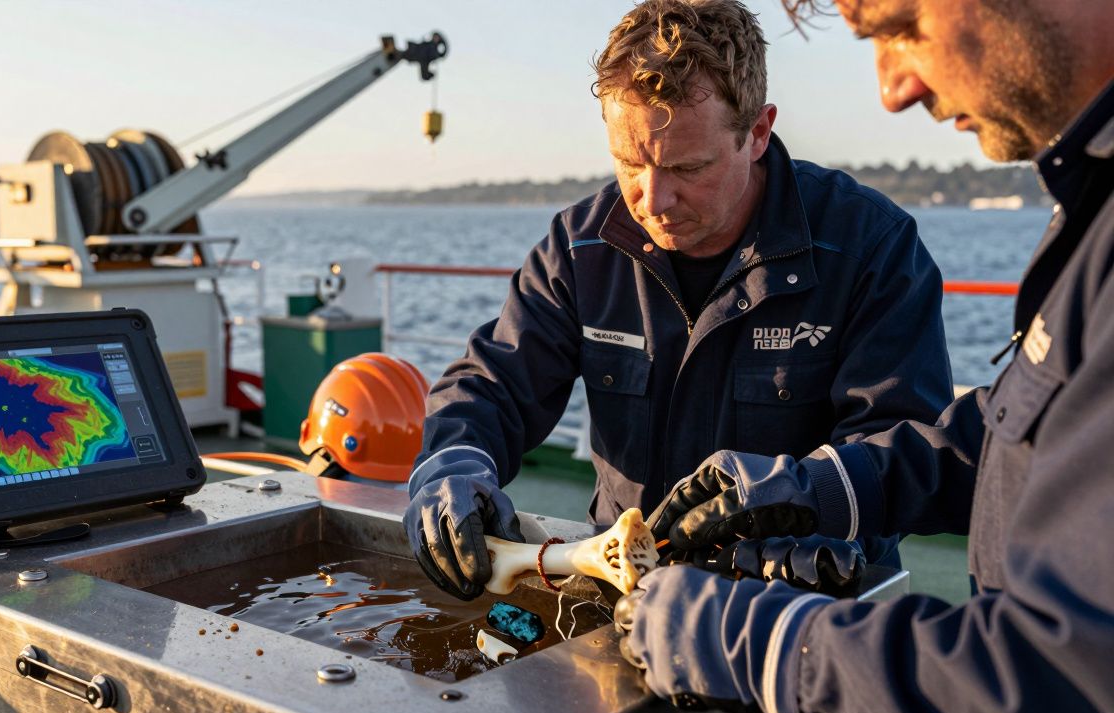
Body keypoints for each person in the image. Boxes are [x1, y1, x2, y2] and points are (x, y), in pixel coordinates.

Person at [618, 0, 1114, 713]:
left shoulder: (873, 238)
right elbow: (1024, 430)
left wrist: (772, 644)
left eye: (903, 26)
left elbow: (1059, 681)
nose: (893, 90)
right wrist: (818, 486)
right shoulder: (1095, 205)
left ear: (756, 135)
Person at [405, 0, 954, 602]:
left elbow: (901, 443)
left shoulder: (870, 247)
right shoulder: (581, 247)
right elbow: (495, 382)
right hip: (625, 598)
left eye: (686, 167)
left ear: (759, 132)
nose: (653, 198)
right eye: (628, 162)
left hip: (806, 612)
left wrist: (803, 508)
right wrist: (451, 464)